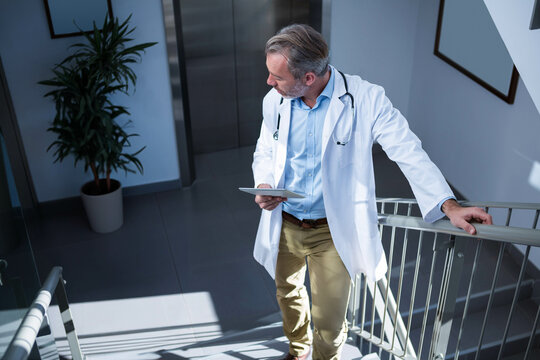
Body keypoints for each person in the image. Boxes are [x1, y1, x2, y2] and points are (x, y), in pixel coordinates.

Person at [251, 24, 492, 360]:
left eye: (276, 77)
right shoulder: (274, 100)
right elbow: (266, 147)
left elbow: (407, 149)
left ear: (308, 78)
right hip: (285, 222)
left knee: (330, 318)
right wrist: (264, 183)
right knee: (287, 292)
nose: (269, 83)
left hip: (332, 232)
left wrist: (447, 204)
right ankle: (298, 349)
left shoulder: (365, 99)